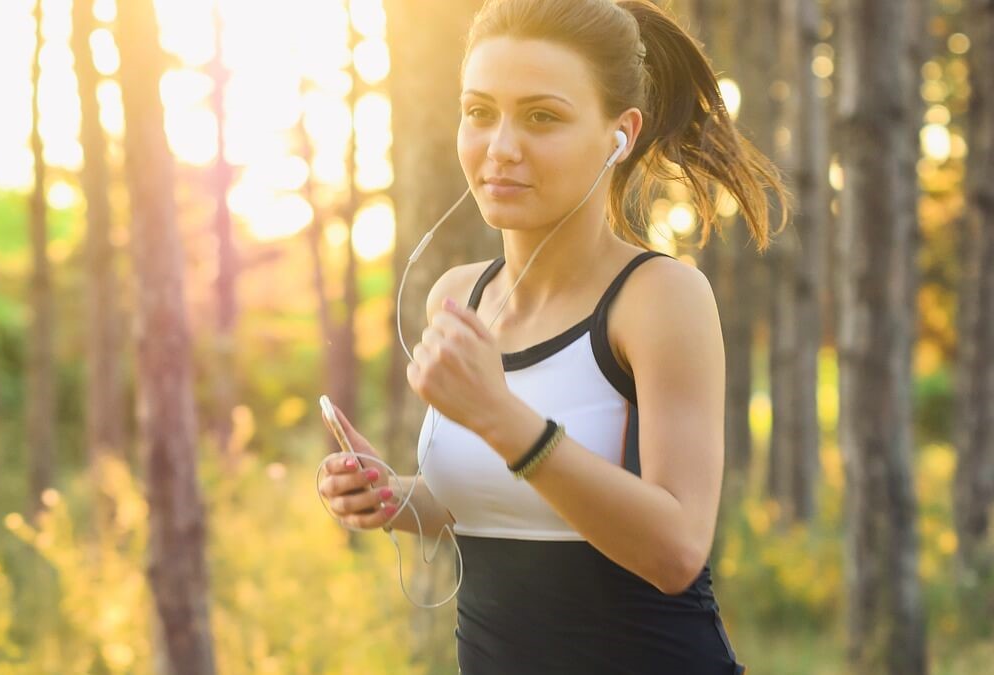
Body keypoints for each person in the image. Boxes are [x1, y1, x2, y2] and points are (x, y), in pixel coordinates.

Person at [318, 0, 789, 672]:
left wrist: (501, 417)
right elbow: (501, 505)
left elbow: (677, 550)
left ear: (619, 134)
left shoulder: (659, 298)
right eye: (480, 111)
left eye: (542, 116)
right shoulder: (457, 295)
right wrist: (394, 496)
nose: (500, 147)